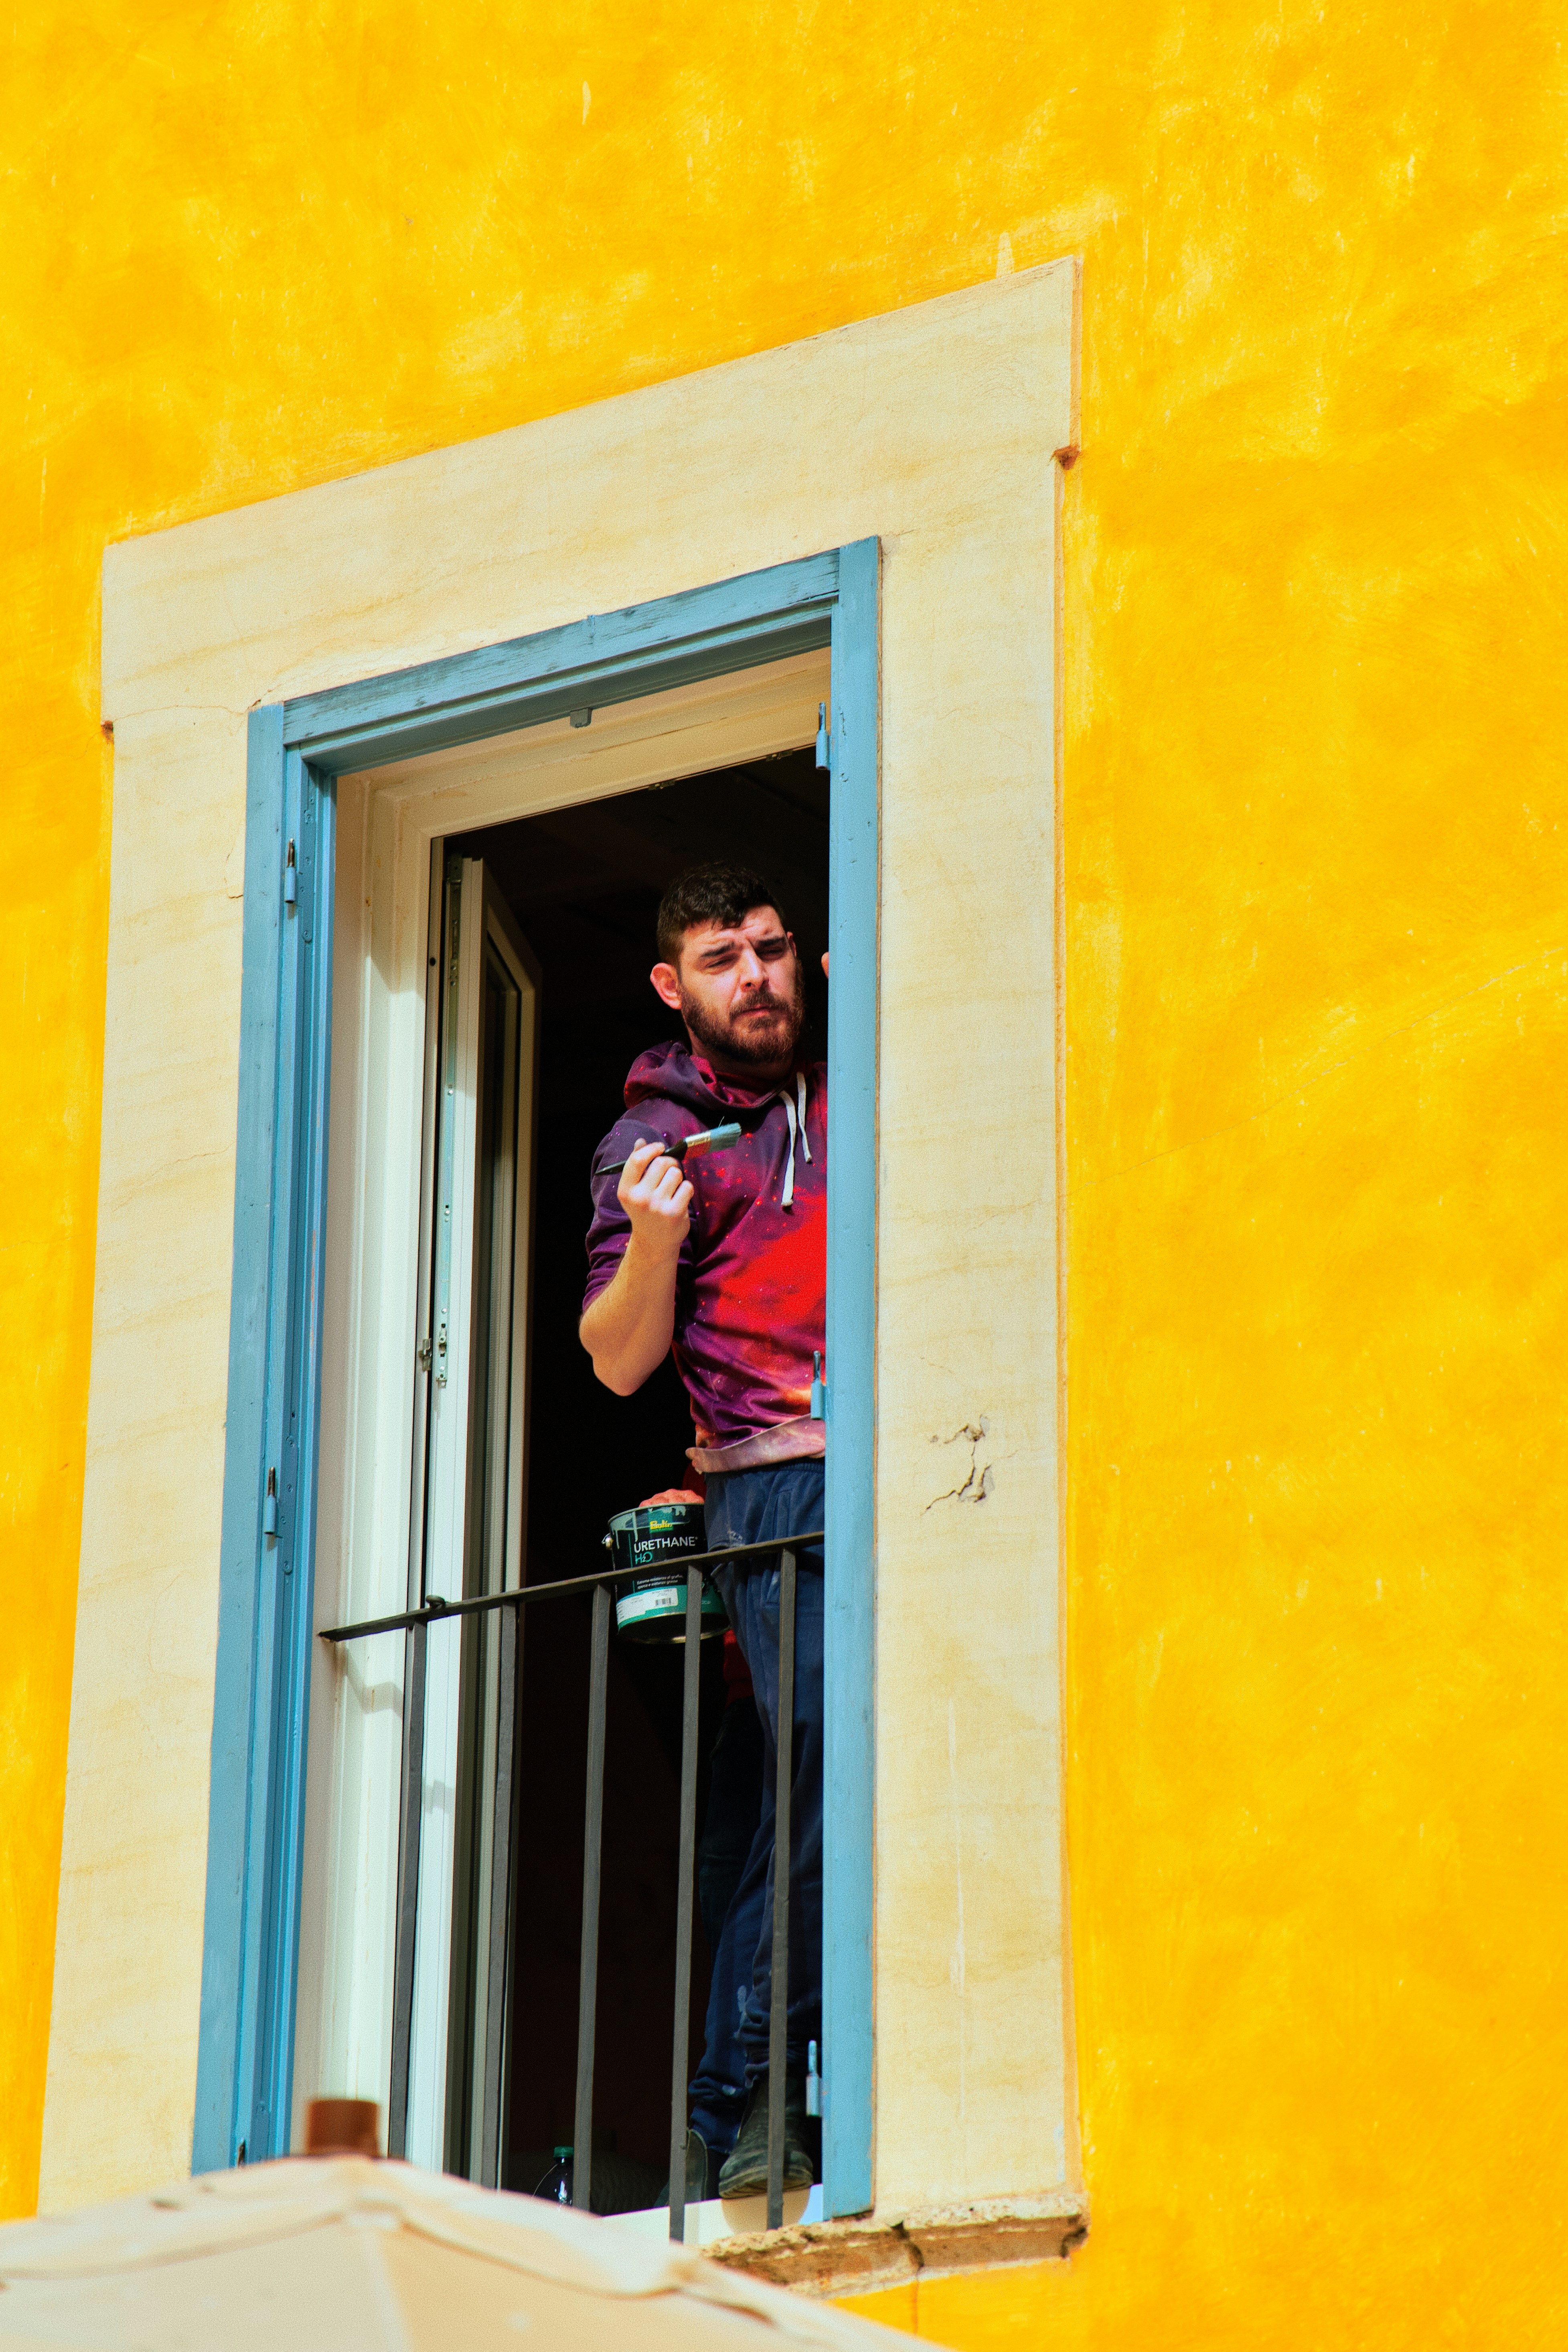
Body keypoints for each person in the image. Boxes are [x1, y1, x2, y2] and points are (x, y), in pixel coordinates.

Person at [579, 862, 827, 2199]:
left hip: (901, 1454)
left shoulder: (861, 1077)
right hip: (777, 1479)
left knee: (788, 1779)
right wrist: (657, 1244)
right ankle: (745, 2102)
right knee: (812, 1760)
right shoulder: (653, 1146)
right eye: (726, 959)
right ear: (677, 988)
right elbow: (615, 1363)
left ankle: (728, 2112)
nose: (760, 977)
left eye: (777, 950)